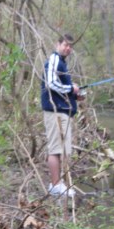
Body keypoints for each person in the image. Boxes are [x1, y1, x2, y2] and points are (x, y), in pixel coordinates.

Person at [41, 34, 83, 197]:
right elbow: (50, 83)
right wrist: (70, 89)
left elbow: (63, 88)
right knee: (55, 149)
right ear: (58, 44)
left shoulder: (62, 63)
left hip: (64, 111)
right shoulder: (53, 60)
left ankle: (60, 183)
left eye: (70, 46)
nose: (68, 48)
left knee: (64, 150)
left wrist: (76, 95)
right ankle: (55, 185)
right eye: (65, 45)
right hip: (54, 111)